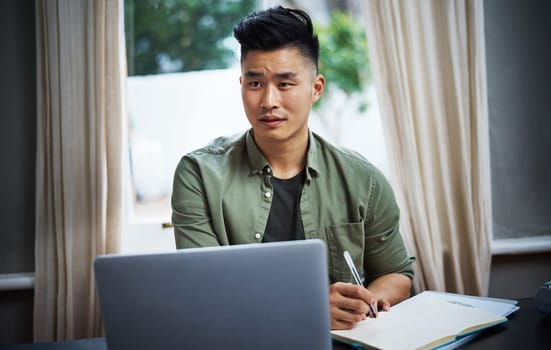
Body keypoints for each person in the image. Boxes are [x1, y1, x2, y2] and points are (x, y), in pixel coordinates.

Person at [171, 5, 414, 330]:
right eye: (255, 84)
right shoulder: (198, 175)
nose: (268, 100)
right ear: (241, 84)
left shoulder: (362, 179)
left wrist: (360, 302)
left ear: (316, 88)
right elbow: (204, 290)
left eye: (285, 84)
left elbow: (398, 275)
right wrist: (309, 308)